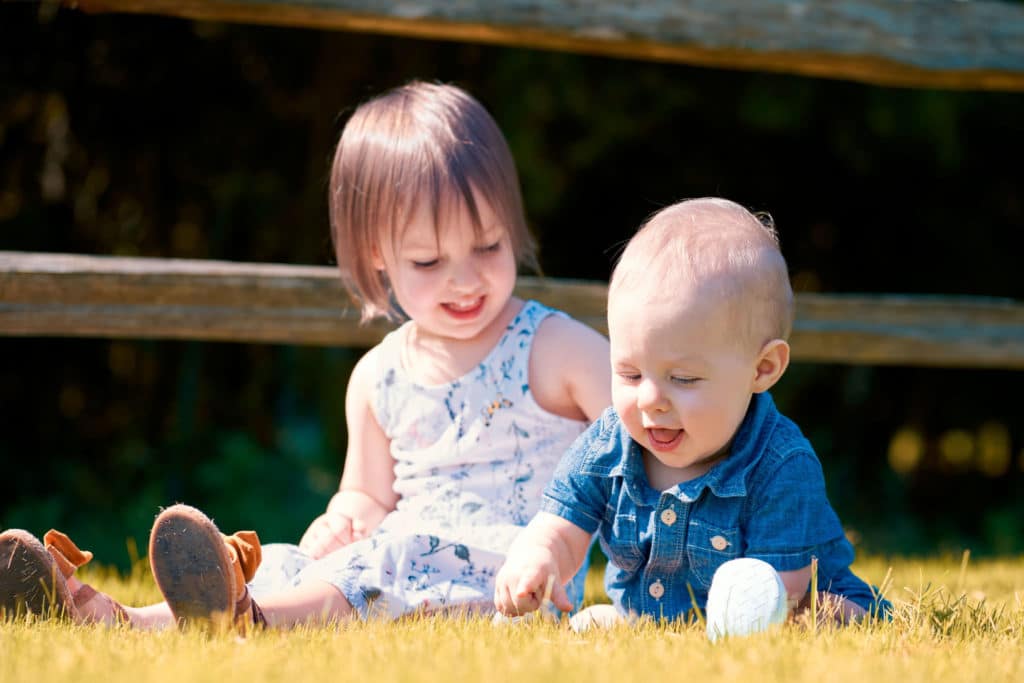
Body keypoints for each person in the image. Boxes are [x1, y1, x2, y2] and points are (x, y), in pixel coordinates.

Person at [0, 81, 610, 629]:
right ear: (378, 255)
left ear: (512, 222)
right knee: (295, 558)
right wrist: (342, 520)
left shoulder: (554, 347)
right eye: (428, 261)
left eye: (488, 246)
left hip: (508, 575)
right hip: (402, 561)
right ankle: (122, 619)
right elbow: (368, 495)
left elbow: (642, 436)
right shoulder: (379, 375)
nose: (465, 279)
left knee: (390, 556)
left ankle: (254, 620)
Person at [493, 197, 889, 630]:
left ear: (763, 369)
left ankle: (848, 616)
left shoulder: (780, 464)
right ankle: (637, 622)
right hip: (656, 616)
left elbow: (779, 588)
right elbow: (561, 526)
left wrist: (745, 619)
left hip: (790, 596)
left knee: (823, 616)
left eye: (682, 379)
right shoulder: (607, 445)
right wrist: (539, 557)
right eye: (629, 373)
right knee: (602, 625)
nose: (649, 400)